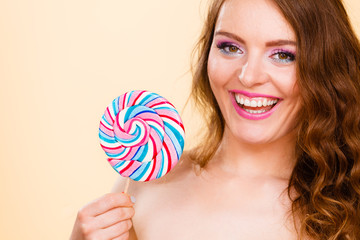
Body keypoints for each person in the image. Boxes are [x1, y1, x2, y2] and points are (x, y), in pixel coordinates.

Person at [70, 0, 360, 239]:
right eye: (230, 48)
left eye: (283, 55)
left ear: (325, 69)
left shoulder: (348, 206)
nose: (248, 76)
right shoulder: (142, 187)